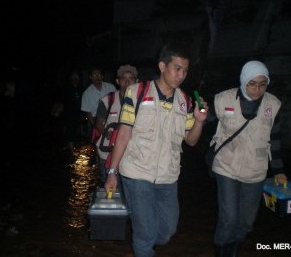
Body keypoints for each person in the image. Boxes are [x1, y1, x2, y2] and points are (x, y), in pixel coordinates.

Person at [104, 41, 208, 257]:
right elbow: (123, 133)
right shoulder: (137, 92)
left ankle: (148, 241)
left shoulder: (186, 101)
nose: (181, 75)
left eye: (185, 70)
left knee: (167, 230)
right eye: (177, 68)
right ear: (162, 66)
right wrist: (112, 173)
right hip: (136, 173)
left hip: (168, 178)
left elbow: (190, 141)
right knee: (145, 233)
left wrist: (199, 121)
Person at [207, 60, 287, 256]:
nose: (257, 89)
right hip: (226, 165)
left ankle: (233, 248)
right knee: (229, 218)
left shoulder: (273, 105)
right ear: (243, 81)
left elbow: (274, 141)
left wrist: (279, 171)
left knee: (246, 222)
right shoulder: (222, 100)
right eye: (252, 83)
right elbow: (198, 120)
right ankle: (221, 251)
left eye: (262, 84)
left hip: (256, 170)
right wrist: (197, 115)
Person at [95, 64, 138, 186]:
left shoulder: (143, 101)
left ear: (137, 81)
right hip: (108, 151)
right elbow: (98, 123)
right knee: (109, 186)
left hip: (131, 153)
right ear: (118, 81)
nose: (128, 81)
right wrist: (106, 132)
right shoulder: (108, 99)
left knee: (128, 187)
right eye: (124, 78)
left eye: (131, 78)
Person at [81, 67, 116, 142]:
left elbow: (116, 103)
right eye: (94, 74)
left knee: (113, 140)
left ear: (102, 76)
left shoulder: (111, 87)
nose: (97, 77)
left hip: (112, 118)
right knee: (99, 143)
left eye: (99, 74)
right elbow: (88, 111)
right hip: (96, 120)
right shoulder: (86, 93)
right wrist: (95, 125)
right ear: (90, 77)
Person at [60, 70, 85, 150]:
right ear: (70, 78)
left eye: (77, 76)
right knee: (70, 129)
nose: (75, 78)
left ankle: (73, 145)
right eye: (73, 76)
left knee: (78, 130)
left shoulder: (81, 88)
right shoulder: (66, 88)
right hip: (69, 113)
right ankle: (70, 148)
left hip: (79, 113)